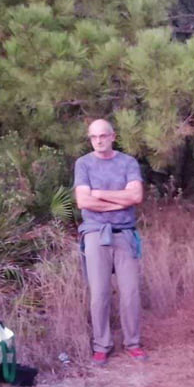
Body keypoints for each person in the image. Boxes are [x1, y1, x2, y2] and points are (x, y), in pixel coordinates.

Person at [73, 119, 146, 365]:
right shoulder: (83, 164)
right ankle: (102, 345)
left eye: (103, 136)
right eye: (94, 137)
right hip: (95, 232)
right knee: (99, 293)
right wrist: (121, 199)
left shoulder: (128, 162)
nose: (98, 141)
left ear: (113, 136)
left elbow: (136, 196)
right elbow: (83, 202)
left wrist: (101, 193)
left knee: (131, 293)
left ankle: (132, 343)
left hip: (124, 233)